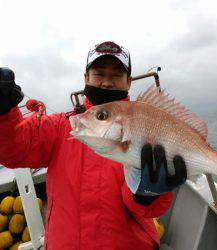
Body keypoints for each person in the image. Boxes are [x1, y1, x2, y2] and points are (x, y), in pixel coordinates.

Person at [0, 41, 187, 250]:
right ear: (85, 78)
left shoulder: (143, 128)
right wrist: (3, 114)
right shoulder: (60, 126)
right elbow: (14, 151)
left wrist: (147, 194)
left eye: (116, 75)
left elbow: (146, 210)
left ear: (129, 82)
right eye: (99, 73)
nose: (107, 82)